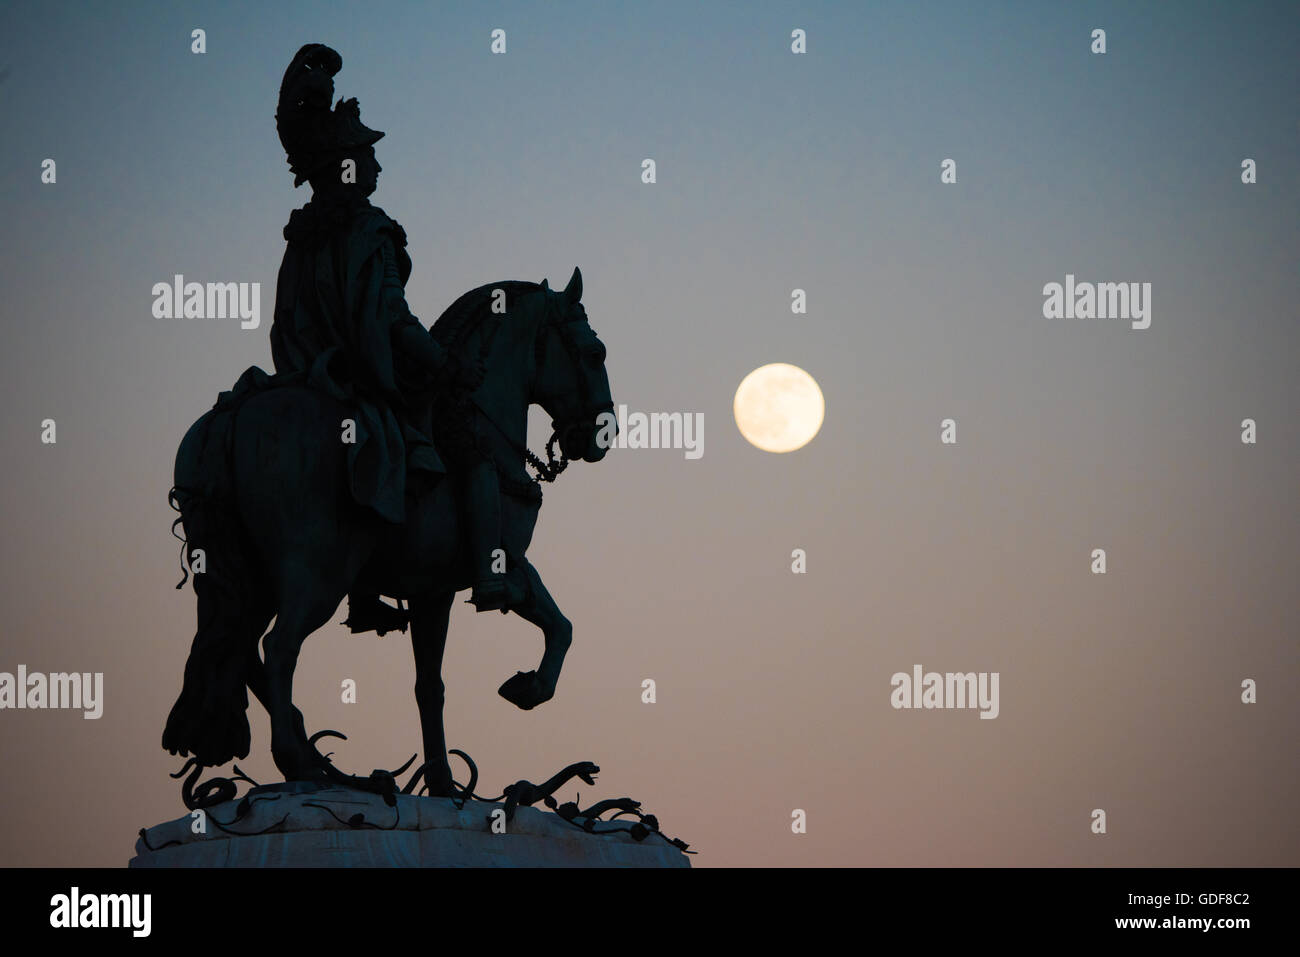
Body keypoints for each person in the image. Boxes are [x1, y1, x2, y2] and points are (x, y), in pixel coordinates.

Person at [270, 44, 508, 628]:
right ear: (348, 162)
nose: (378, 165)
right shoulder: (370, 232)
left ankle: (360, 586)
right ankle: (490, 569)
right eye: (369, 153)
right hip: (364, 372)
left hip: (309, 372)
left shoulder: (305, 234)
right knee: (467, 442)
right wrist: (447, 364)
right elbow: (392, 320)